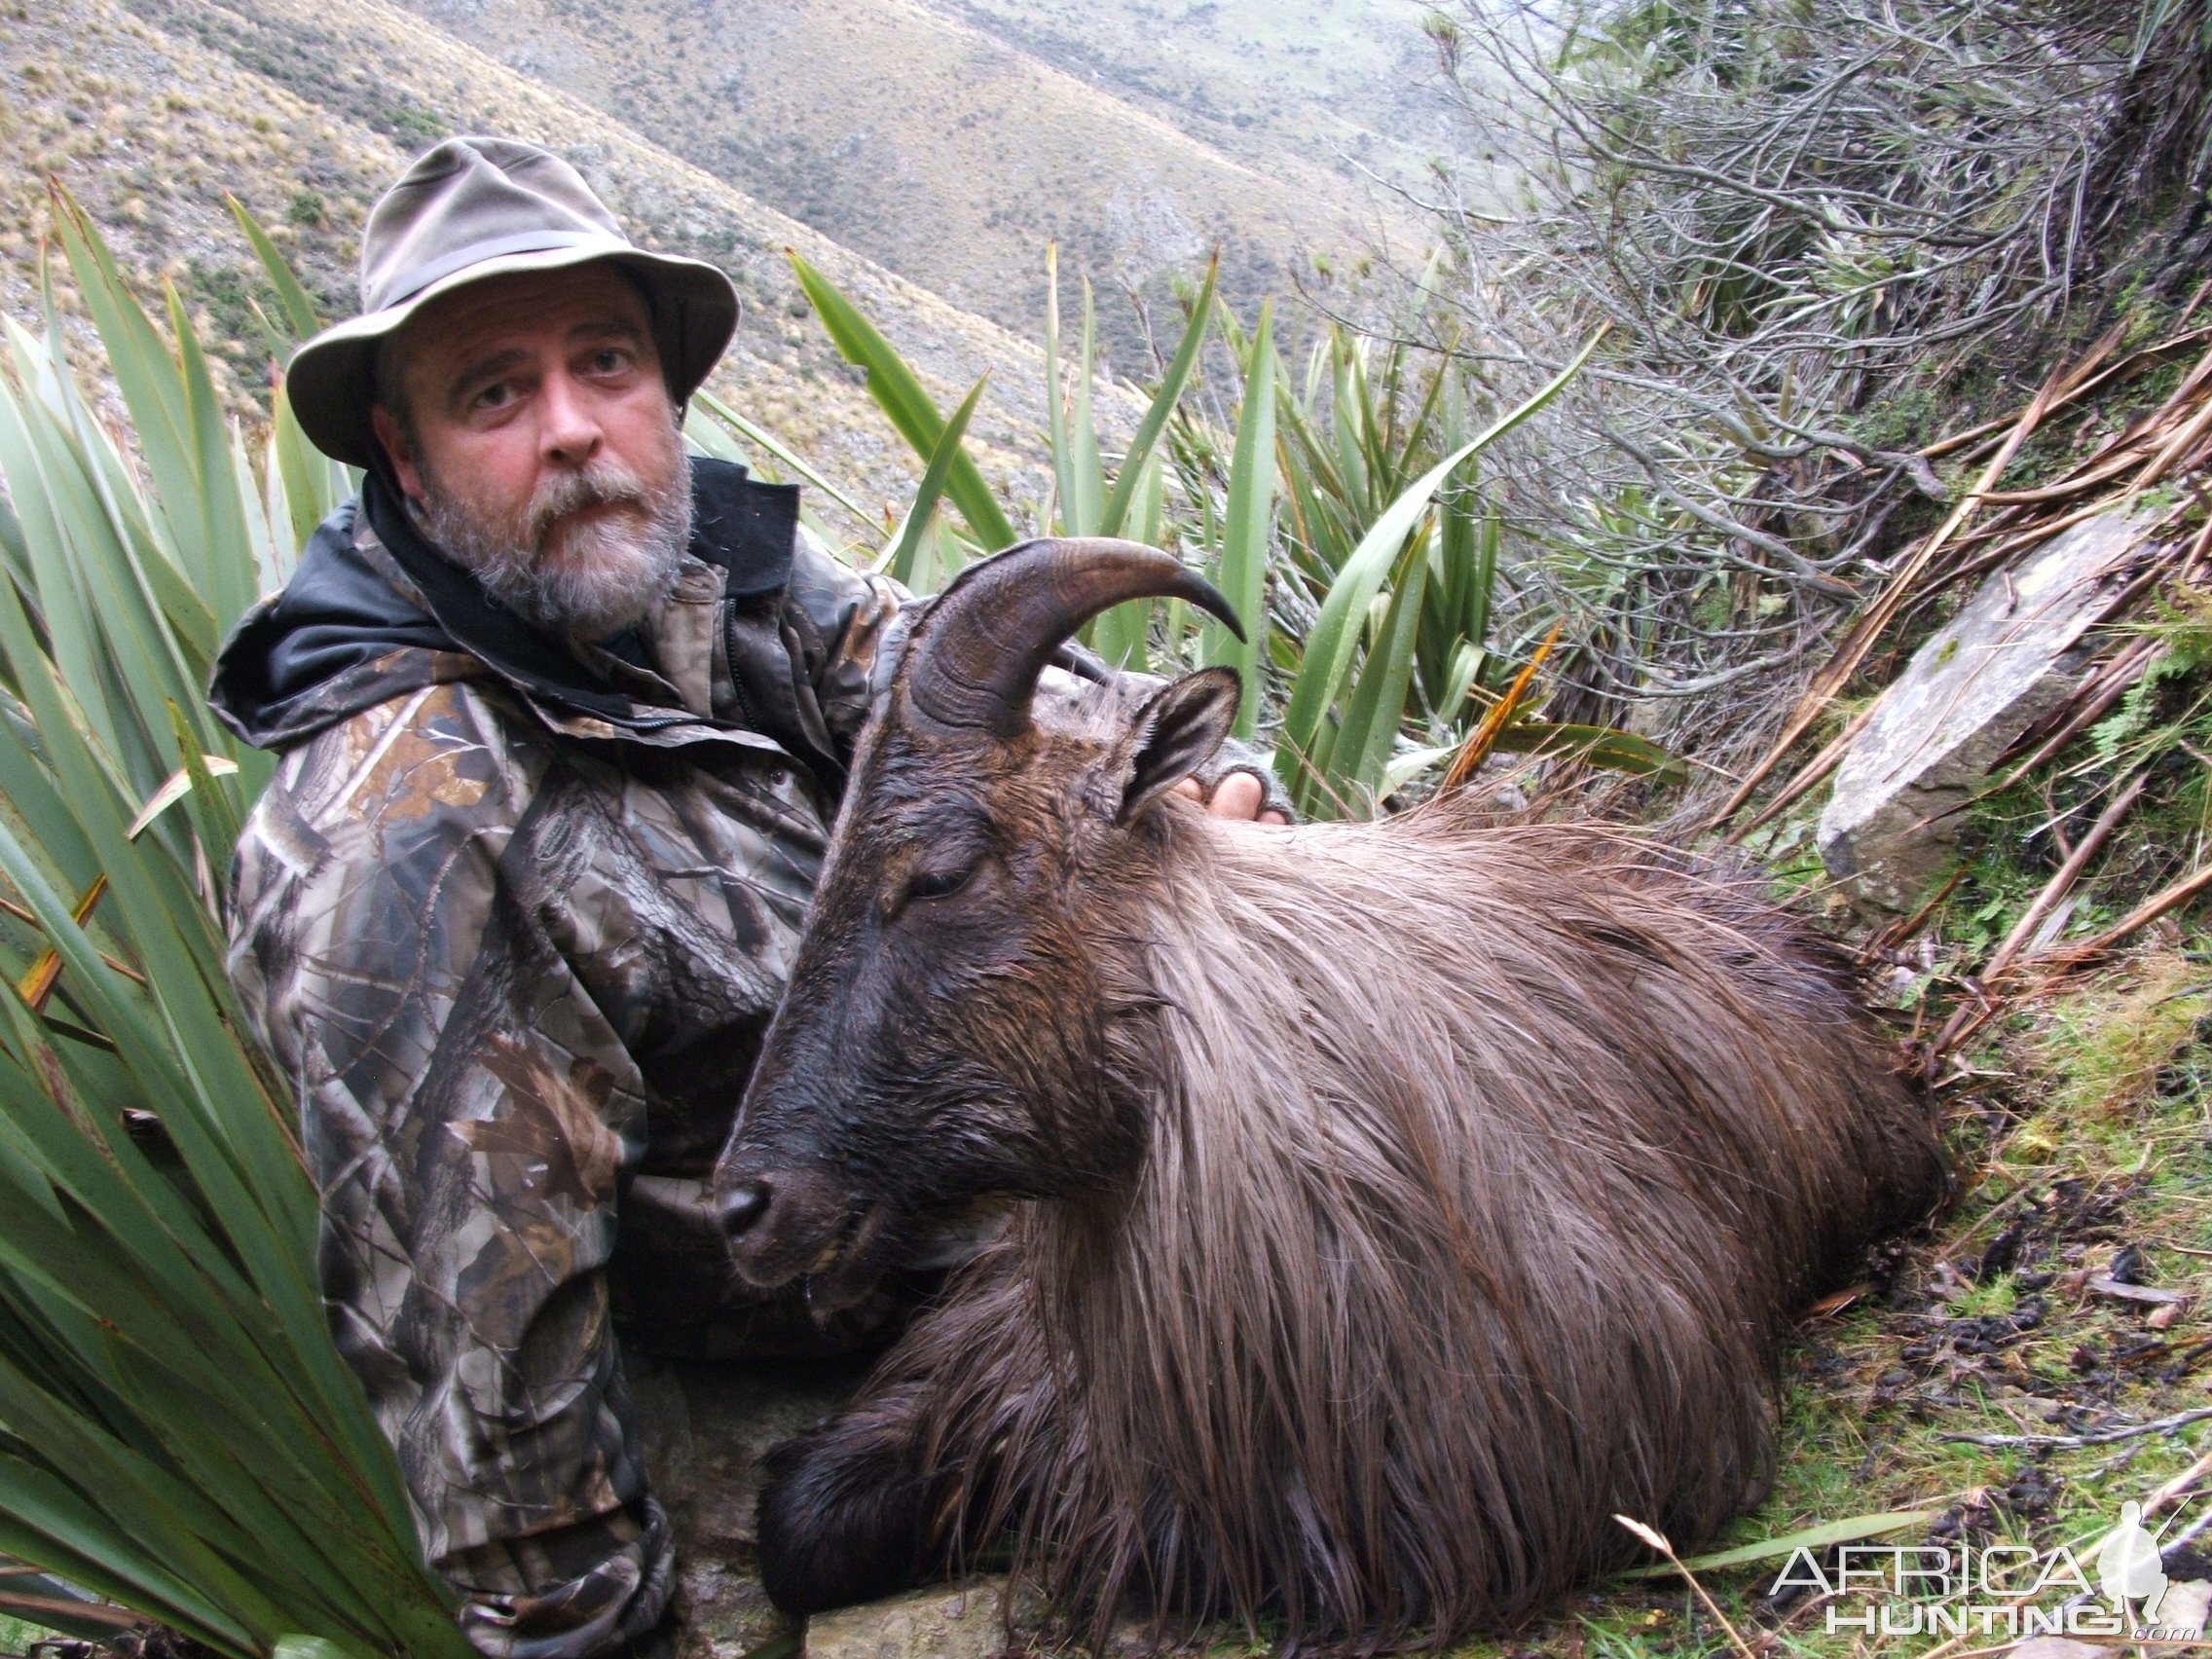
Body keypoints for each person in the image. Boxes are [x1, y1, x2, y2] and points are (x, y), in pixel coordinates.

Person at [210, 136, 1285, 1659]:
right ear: (404, 455)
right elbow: (483, 1351)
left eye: (604, 361)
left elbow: (996, 714)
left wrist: (1183, 800)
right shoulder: (404, 837)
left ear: (668, 384)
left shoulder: (716, 572)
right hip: (822, 1337)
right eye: (495, 393)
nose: (576, 430)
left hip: (1012, 1200)